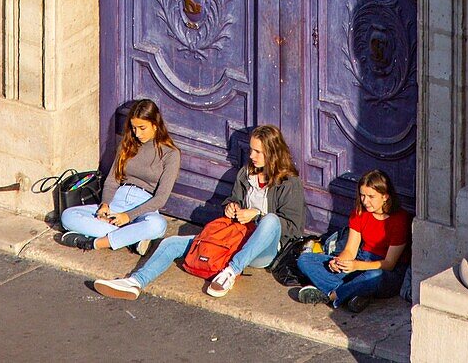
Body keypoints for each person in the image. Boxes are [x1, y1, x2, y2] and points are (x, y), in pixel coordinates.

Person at [93, 124, 306, 300]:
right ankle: (135, 282)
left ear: (273, 152)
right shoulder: (246, 173)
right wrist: (231, 207)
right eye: (251, 150)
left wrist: (256, 216)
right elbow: (234, 200)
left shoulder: (289, 182)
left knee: (270, 220)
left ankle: (230, 273)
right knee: (170, 243)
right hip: (234, 239)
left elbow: (293, 230)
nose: (251, 156)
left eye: (258, 151)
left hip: (263, 250)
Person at [59, 99, 180, 255]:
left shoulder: (171, 154)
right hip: (118, 200)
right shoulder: (127, 144)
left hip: (144, 206)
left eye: (142, 128)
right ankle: (132, 239)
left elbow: (161, 198)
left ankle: (96, 242)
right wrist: (104, 205)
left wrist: (128, 217)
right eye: (133, 128)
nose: (137, 134)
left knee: (158, 225)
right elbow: (112, 180)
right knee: (68, 216)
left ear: (155, 125)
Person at [297, 168, 411, 312]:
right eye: (362, 195)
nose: (365, 201)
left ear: (385, 196)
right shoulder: (360, 213)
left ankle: (332, 296)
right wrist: (339, 262)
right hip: (360, 259)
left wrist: (356, 266)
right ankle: (355, 293)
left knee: (374, 276)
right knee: (305, 260)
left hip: (386, 271)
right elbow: (350, 250)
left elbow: (389, 264)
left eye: (371, 196)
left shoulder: (399, 220)